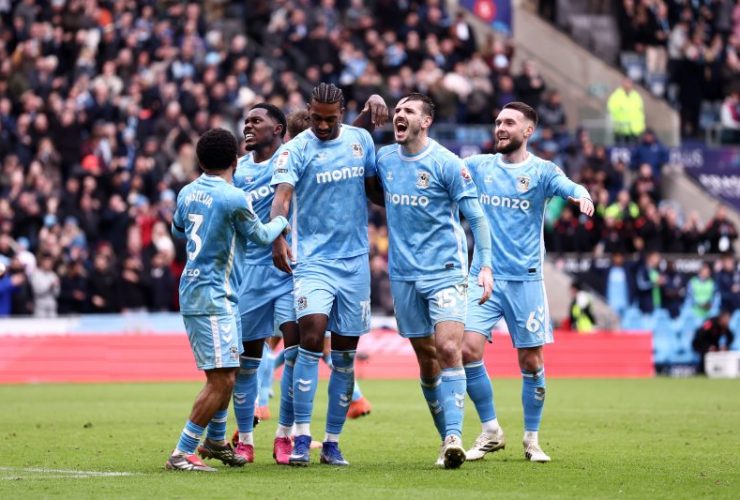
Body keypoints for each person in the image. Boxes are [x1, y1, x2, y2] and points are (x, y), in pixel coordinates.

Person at [462, 101, 594, 463]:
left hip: (526, 280)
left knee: (532, 361)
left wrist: (581, 194)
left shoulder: (542, 171)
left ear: (528, 130)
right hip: (484, 276)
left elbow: (568, 185)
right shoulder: (478, 166)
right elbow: (444, 169)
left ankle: (531, 440)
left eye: (509, 122)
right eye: (498, 122)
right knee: (467, 350)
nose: (500, 128)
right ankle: (490, 430)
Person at [269, 82, 387, 467]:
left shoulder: (360, 140)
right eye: (316, 118)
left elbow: (374, 191)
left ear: (342, 114)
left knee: (345, 355)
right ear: (308, 110)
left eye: (329, 119)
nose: (321, 125)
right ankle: (302, 436)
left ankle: (333, 442)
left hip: (354, 262)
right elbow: (282, 197)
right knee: (312, 335)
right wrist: (277, 236)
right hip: (313, 260)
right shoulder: (295, 149)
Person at [376, 92, 494, 469]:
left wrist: (484, 266)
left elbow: (477, 218)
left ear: (425, 121)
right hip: (403, 274)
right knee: (426, 357)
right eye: (397, 110)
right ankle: (447, 440)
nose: (399, 114)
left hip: (445, 270)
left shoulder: (447, 163)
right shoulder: (384, 160)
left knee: (447, 348)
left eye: (408, 110)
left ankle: (455, 436)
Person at [166, 128, 289, 472]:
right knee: (221, 379)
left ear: (200, 161)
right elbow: (261, 235)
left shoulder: (187, 192)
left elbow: (177, 230)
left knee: (227, 372)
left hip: (206, 290)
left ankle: (217, 441)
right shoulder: (234, 197)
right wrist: (282, 219)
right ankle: (182, 452)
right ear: (235, 160)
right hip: (212, 295)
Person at [692, 310, 735, 374]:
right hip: (700, 342)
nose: (728, 321)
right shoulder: (711, 322)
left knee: (718, 352)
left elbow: (730, 337)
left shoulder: (725, 327)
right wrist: (708, 346)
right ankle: (701, 372)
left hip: (713, 343)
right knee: (705, 355)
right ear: (722, 318)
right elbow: (700, 336)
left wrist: (725, 345)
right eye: (727, 319)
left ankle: (716, 370)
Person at [607, 77, 645, 144]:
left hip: (635, 131)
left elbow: (640, 111)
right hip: (621, 130)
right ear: (622, 83)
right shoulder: (616, 96)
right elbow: (612, 110)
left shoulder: (636, 96)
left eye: (630, 83)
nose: (628, 85)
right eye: (627, 83)